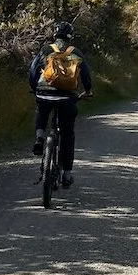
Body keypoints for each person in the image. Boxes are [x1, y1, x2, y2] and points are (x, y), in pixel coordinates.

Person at [29, 21, 93, 187]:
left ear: (54, 34)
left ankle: (39, 137)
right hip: (67, 98)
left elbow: (33, 71)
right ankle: (66, 174)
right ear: (70, 36)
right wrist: (88, 91)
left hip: (44, 94)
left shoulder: (45, 50)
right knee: (67, 133)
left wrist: (35, 89)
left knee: (42, 111)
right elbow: (86, 75)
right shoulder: (76, 52)